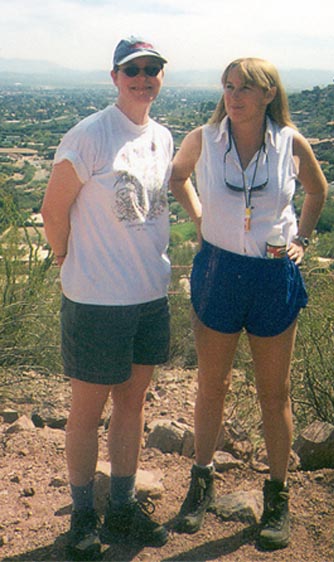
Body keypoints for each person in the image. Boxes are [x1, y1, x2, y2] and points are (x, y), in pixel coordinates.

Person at [169, 57, 328, 551]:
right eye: (228, 86)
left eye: (245, 88)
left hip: (271, 273)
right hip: (218, 271)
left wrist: (301, 236)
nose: (233, 96)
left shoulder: (288, 142)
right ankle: (201, 481)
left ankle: (277, 497)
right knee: (211, 385)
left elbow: (317, 189)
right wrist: (199, 219)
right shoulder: (205, 138)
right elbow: (178, 178)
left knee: (273, 394)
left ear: (267, 95)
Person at [41, 36, 173, 560]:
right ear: (114, 77)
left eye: (152, 69)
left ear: (161, 76)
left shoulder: (161, 136)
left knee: (133, 403)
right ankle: (81, 517)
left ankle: (120, 505)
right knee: (86, 410)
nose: (143, 78)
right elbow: (54, 211)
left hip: (148, 295)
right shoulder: (90, 135)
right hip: (97, 299)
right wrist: (65, 260)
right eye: (133, 69)